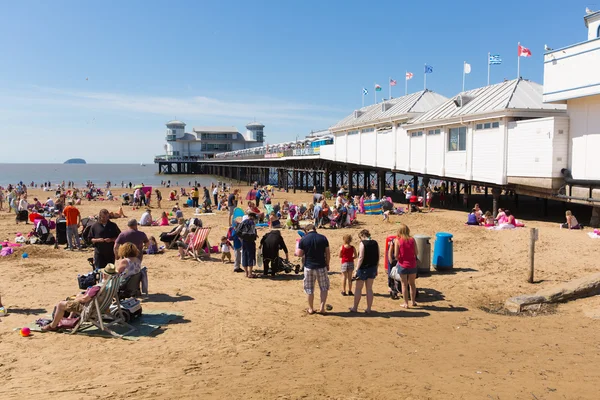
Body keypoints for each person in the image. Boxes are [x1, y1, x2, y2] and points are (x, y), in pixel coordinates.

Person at [42, 263, 117, 332]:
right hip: (102, 307)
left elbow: (85, 300)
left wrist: (76, 299)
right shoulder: (112, 285)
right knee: (79, 295)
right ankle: (70, 319)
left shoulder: (98, 287)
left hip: (89, 309)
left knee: (60, 305)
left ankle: (52, 326)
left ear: (104, 275)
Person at [297, 224, 330, 315]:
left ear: (307, 230)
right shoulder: (323, 238)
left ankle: (311, 309)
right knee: (323, 287)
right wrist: (327, 263)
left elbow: (299, 254)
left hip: (309, 266)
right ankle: (322, 308)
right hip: (321, 265)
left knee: (309, 288)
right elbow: (327, 253)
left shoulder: (303, 239)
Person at [349, 230, 379, 313]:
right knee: (369, 289)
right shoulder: (375, 243)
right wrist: (376, 268)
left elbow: (361, 257)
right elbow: (378, 256)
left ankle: (355, 307)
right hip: (372, 267)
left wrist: (356, 270)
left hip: (363, 268)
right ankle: (369, 308)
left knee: (358, 288)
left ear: (362, 236)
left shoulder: (363, 243)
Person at [394, 224, 418, 309]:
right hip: (412, 264)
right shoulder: (412, 239)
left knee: (404, 284)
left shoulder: (398, 240)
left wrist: (399, 258)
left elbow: (396, 255)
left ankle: (405, 303)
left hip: (403, 264)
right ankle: (413, 301)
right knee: (412, 284)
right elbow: (416, 253)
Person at [235, 212, 258, 278]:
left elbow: (237, 231)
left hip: (244, 241)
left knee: (244, 255)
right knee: (251, 256)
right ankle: (250, 273)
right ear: (252, 217)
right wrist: (254, 236)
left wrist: (241, 238)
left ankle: (246, 273)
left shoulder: (243, 222)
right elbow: (253, 232)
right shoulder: (252, 223)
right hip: (250, 241)